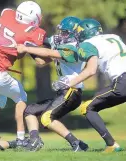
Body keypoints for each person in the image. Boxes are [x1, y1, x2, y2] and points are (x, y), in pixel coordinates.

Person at [0, 1, 46, 148]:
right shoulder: (31, 32)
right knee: (21, 97)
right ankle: (20, 138)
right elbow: (41, 62)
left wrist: (1, 45)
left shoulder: (7, 16)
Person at [16, 16, 88, 152]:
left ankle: (76, 144)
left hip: (72, 90)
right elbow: (41, 61)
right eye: (61, 31)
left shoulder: (73, 48)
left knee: (46, 118)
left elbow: (48, 52)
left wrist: (26, 48)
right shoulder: (62, 45)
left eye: (65, 32)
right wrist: (25, 38)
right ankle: (34, 140)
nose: (61, 35)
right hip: (65, 92)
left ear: (75, 34)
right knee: (30, 111)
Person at [64, 18, 126, 152]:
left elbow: (91, 70)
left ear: (85, 32)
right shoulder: (113, 36)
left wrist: (68, 83)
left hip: (123, 81)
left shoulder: (88, 43)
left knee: (87, 108)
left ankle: (111, 144)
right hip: (122, 79)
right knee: (97, 97)